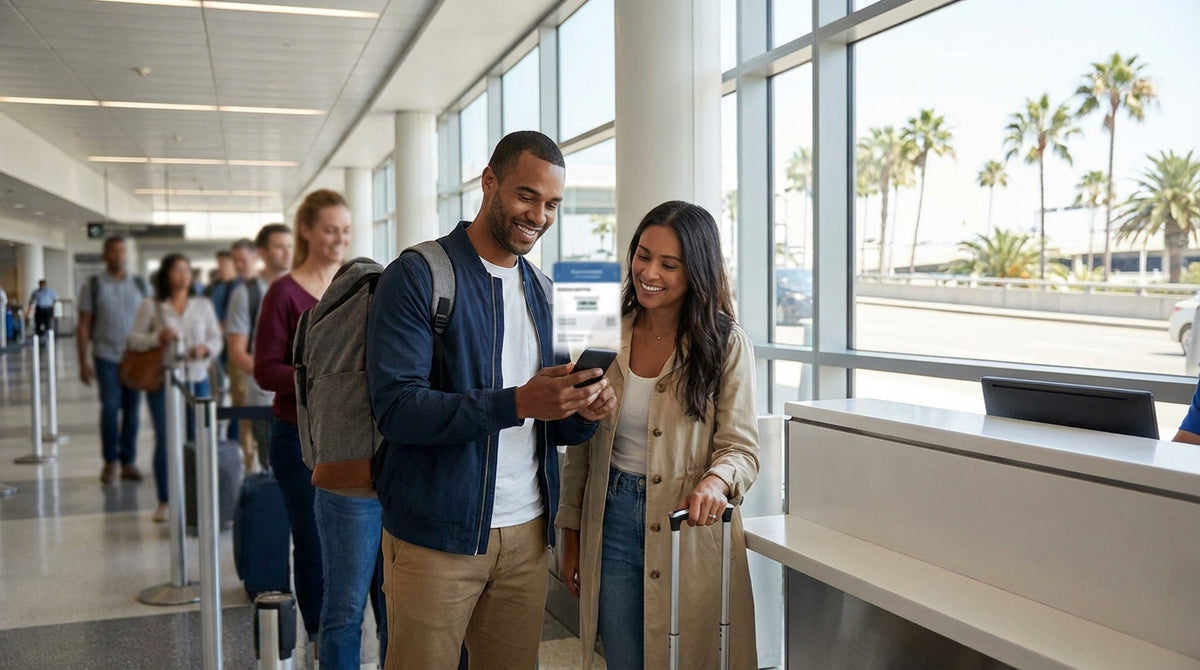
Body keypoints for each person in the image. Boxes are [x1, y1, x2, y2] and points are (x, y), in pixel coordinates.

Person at [367, 130, 616, 670]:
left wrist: (584, 410)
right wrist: (518, 402)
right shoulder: (416, 275)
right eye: (527, 195)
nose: (539, 215)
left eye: (552, 204)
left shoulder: (546, 291)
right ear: (489, 182)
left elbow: (556, 425)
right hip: (435, 536)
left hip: (527, 533)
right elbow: (398, 409)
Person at [558, 200, 761, 670]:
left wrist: (717, 480)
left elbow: (742, 448)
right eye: (643, 255)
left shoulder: (726, 344)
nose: (649, 272)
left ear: (697, 272)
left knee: (690, 658)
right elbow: (581, 448)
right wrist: (571, 538)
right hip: (609, 524)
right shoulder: (608, 332)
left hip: (686, 526)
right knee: (625, 659)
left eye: (669, 264)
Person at [255, 189, 387, 666]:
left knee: (371, 570)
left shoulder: (368, 287)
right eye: (330, 229)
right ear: (306, 231)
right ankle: (315, 638)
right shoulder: (285, 293)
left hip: (357, 444)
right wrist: (318, 379)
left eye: (346, 231)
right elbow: (264, 369)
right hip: (297, 437)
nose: (339, 238)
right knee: (313, 545)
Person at [127, 253, 223, 523]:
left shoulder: (202, 304)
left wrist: (205, 349)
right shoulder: (152, 305)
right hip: (165, 382)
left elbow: (216, 339)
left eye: (186, 270)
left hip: (197, 378)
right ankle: (165, 500)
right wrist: (157, 336)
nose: (183, 275)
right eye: (177, 270)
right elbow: (133, 339)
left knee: (198, 439)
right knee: (167, 439)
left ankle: (198, 497)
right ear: (166, 274)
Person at [77, 236, 152, 484]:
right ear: (105, 255)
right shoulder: (94, 285)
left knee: (132, 411)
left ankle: (128, 461)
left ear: (127, 255)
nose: (118, 255)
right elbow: (84, 325)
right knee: (110, 409)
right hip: (106, 356)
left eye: (122, 251)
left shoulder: (141, 285)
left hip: (135, 357)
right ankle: (110, 461)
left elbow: (154, 320)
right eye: (113, 251)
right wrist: (82, 362)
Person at [226, 224, 292, 472]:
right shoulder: (246, 294)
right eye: (279, 247)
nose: (286, 253)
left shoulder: (302, 286)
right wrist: (273, 376)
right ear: (262, 253)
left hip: (303, 398)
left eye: (289, 246)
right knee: (273, 466)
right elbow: (236, 351)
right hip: (266, 398)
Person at [26, 279, 59, 343]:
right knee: (38, 323)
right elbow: (31, 301)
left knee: (48, 323)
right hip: (39, 309)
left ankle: (47, 336)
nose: (41, 285)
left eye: (43, 284)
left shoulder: (50, 291)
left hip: (48, 309)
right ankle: (39, 336)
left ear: (45, 284)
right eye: (40, 284)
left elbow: (56, 298)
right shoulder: (36, 292)